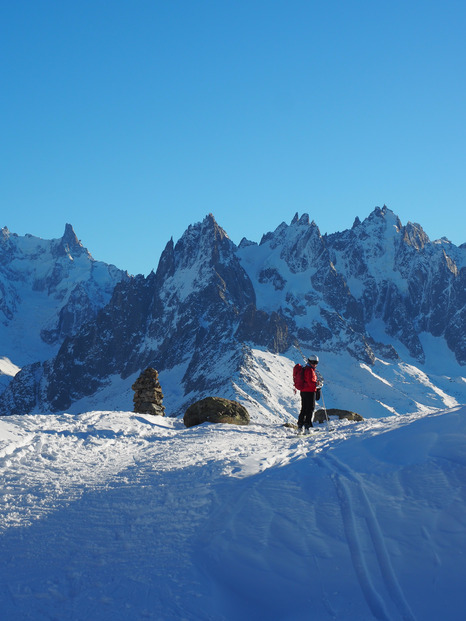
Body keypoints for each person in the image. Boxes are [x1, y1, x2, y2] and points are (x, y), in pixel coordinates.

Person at [297, 355, 320, 435]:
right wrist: (317, 385)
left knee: (304, 408)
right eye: (313, 362)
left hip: (303, 391)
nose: (314, 364)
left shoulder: (305, 369)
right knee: (310, 409)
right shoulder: (310, 370)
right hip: (310, 392)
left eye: (316, 362)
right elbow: (310, 382)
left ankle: (300, 427)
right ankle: (308, 427)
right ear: (309, 361)